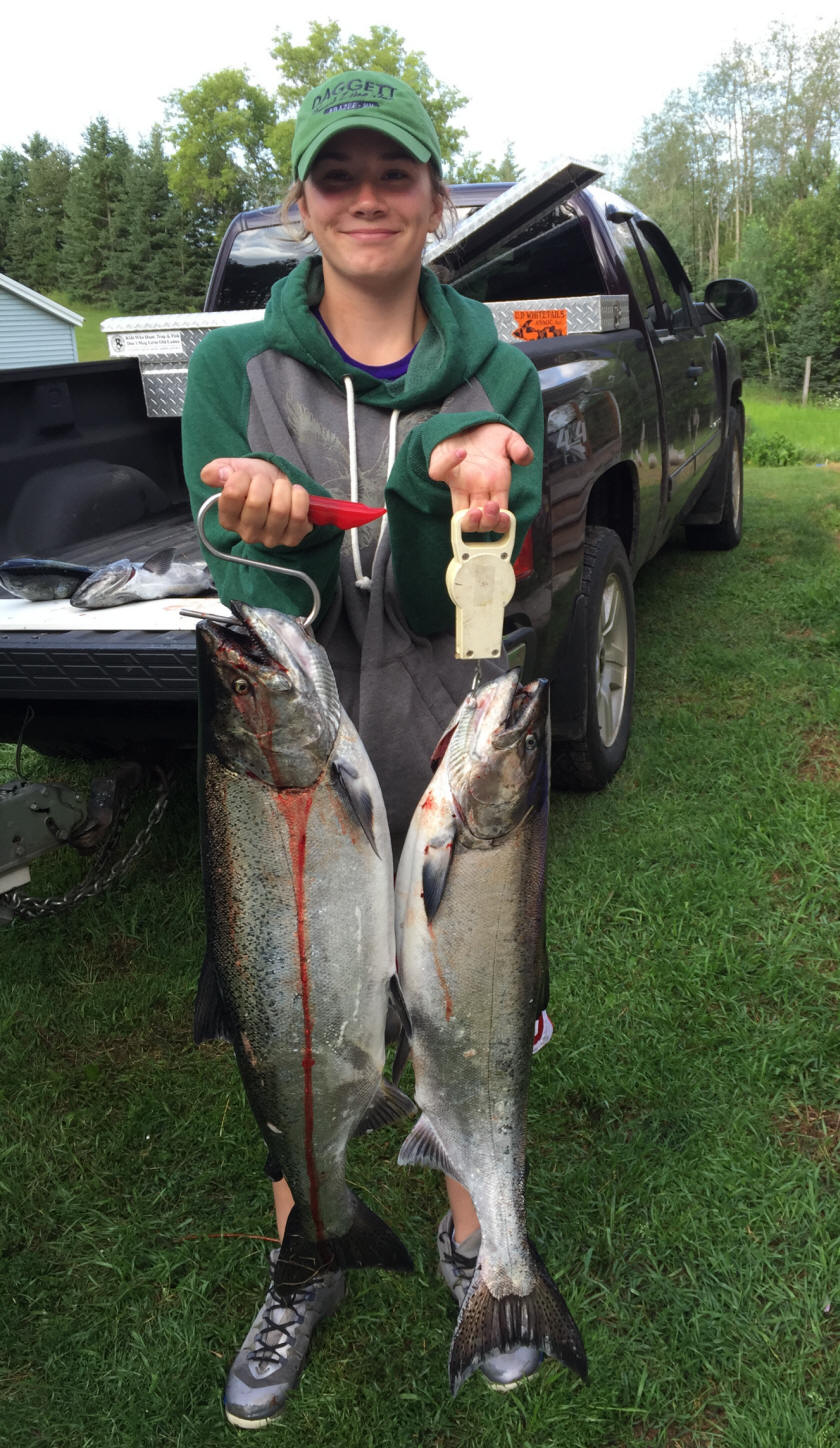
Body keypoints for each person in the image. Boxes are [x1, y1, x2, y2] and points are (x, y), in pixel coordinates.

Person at [181, 68, 546, 1428]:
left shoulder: (504, 373)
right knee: (300, 1001)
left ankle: (474, 1239)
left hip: (450, 735)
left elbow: (470, 604)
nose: (367, 199)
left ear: (438, 200)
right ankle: (308, 1247)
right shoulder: (232, 370)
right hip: (298, 753)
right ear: (301, 205)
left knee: (470, 1005)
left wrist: (461, 497)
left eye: (394, 174)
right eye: (336, 177)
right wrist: (260, 537)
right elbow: (253, 599)